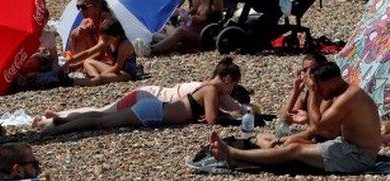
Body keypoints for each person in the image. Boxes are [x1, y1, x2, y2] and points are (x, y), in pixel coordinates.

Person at [208, 61, 382, 175]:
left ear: (334, 82)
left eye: (321, 88)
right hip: (348, 147)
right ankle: (246, 154)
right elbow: (312, 127)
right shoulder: (342, 92)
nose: (320, 92)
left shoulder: (350, 96)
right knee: (291, 144)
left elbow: (319, 125)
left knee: (294, 151)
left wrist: (313, 93)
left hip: (359, 156)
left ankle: (232, 154)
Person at [40, 57, 243, 135]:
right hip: (153, 112)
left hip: (153, 105)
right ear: (227, 79)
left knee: (101, 116)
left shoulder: (206, 86)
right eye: (234, 83)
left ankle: (62, 119)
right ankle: (58, 128)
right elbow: (212, 120)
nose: (233, 89)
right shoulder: (212, 90)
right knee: (101, 122)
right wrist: (232, 118)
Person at [63, 18, 142, 86]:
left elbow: (117, 68)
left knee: (100, 78)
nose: (104, 41)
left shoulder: (124, 45)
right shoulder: (107, 41)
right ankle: (95, 79)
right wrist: (69, 62)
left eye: (106, 38)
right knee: (87, 61)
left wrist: (101, 75)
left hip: (126, 73)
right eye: (103, 38)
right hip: (114, 69)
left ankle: (75, 82)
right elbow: (88, 52)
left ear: (116, 36)